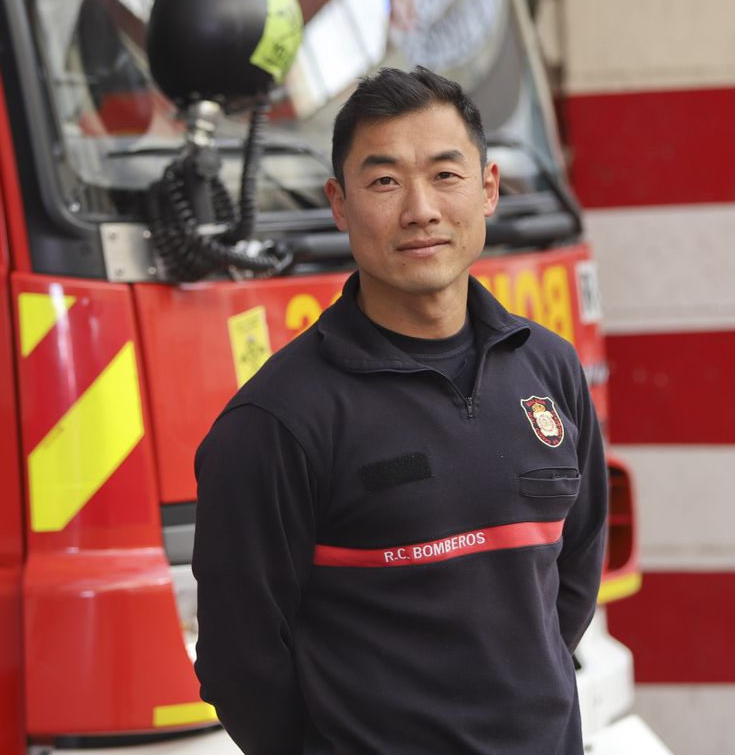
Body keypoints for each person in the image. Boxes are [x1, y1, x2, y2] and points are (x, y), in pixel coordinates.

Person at [192, 66, 606, 755]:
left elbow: (571, 580)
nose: (420, 209)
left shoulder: (549, 370)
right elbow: (243, 662)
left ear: (489, 189)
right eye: (384, 181)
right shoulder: (279, 420)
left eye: (446, 174)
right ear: (340, 203)